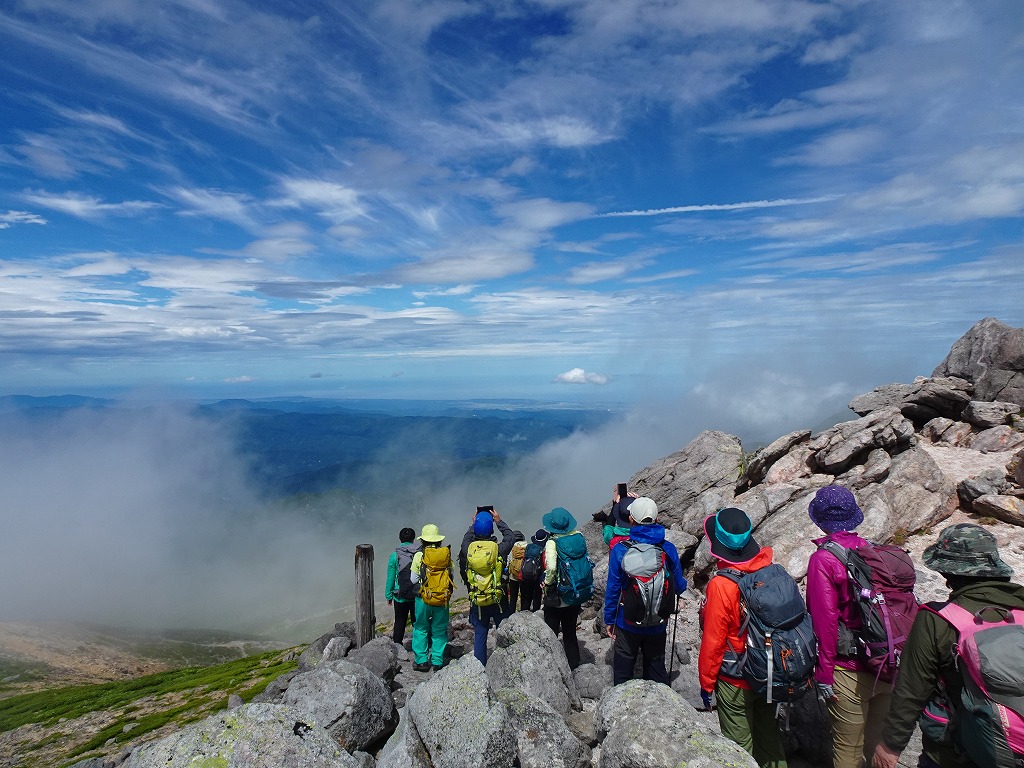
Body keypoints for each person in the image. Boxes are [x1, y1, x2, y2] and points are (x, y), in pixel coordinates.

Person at [871, 523, 1024, 768]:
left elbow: (911, 690)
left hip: (955, 753)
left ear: (947, 573)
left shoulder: (936, 619)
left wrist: (891, 745)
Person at [805, 486, 891, 768]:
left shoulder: (824, 559)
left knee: (847, 751)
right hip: (887, 663)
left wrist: (824, 674)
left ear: (820, 520)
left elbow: (825, 623)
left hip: (849, 670)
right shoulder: (874, 550)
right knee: (878, 748)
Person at [699, 507, 789, 768]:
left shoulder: (721, 585)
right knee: (770, 739)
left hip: (736, 679)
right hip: (771, 671)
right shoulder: (770, 571)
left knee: (739, 748)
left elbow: (714, 641)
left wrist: (706, 684)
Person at [604, 496, 687, 685]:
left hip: (627, 622)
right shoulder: (668, 549)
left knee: (623, 672)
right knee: (656, 667)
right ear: (657, 519)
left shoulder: (620, 550)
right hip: (658, 621)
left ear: (631, 520)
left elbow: (613, 588)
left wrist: (609, 619)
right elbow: (680, 586)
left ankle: (620, 700)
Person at [458, 507, 515, 665]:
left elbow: (465, 541)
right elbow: (510, 537)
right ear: (491, 529)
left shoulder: (468, 549)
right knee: (503, 630)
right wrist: (499, 521)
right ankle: (506, 664)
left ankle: (480, 668)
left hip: (478, 599)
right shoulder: (498, 549)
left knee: (480, 633)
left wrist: (472, 525)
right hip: (498, 598)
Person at [542, 506, 592, 670]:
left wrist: (548, 584)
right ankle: (574, 664)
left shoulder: (552, 542)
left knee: (551, 633)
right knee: (570, 632)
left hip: (558, 594)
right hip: (576, 591)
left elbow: (551, 568)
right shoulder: (579, 537)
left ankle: (553, 667)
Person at [410, 523, 453, 672]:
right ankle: (437, 661)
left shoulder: (419, 556)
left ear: (423, 540)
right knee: (439, 629)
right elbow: (450, 576)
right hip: (442, 598)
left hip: (423, 598)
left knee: (421, 628)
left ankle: (421, 661)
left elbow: (413, 580)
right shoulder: (446, 554)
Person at [384, 527, 421, 646]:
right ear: (413, 538)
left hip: (400, 595)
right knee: (417, 622)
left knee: (400, 621)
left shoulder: (395, 555)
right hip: (417, 594)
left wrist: (388, 595)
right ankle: (420, 647)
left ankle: (397, 647)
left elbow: (390, 577)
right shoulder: (420, 553)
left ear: (400, 539)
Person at [519, 529, 546, 612]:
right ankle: (535, 613)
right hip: (537, 576)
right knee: (537, 596)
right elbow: (544, 564)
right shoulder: (542, 549)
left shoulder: (529, 547)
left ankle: (524, 613)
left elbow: (523, 560)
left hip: (527, 575)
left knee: (528, 596)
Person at [505, 530, 529, 612]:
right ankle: (524, 612)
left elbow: (508, 562)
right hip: (524, 575)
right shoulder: (527, 546)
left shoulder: (512, 548)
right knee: (524, 595)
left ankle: (511, 612)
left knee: (513, 596)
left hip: (513, 576)